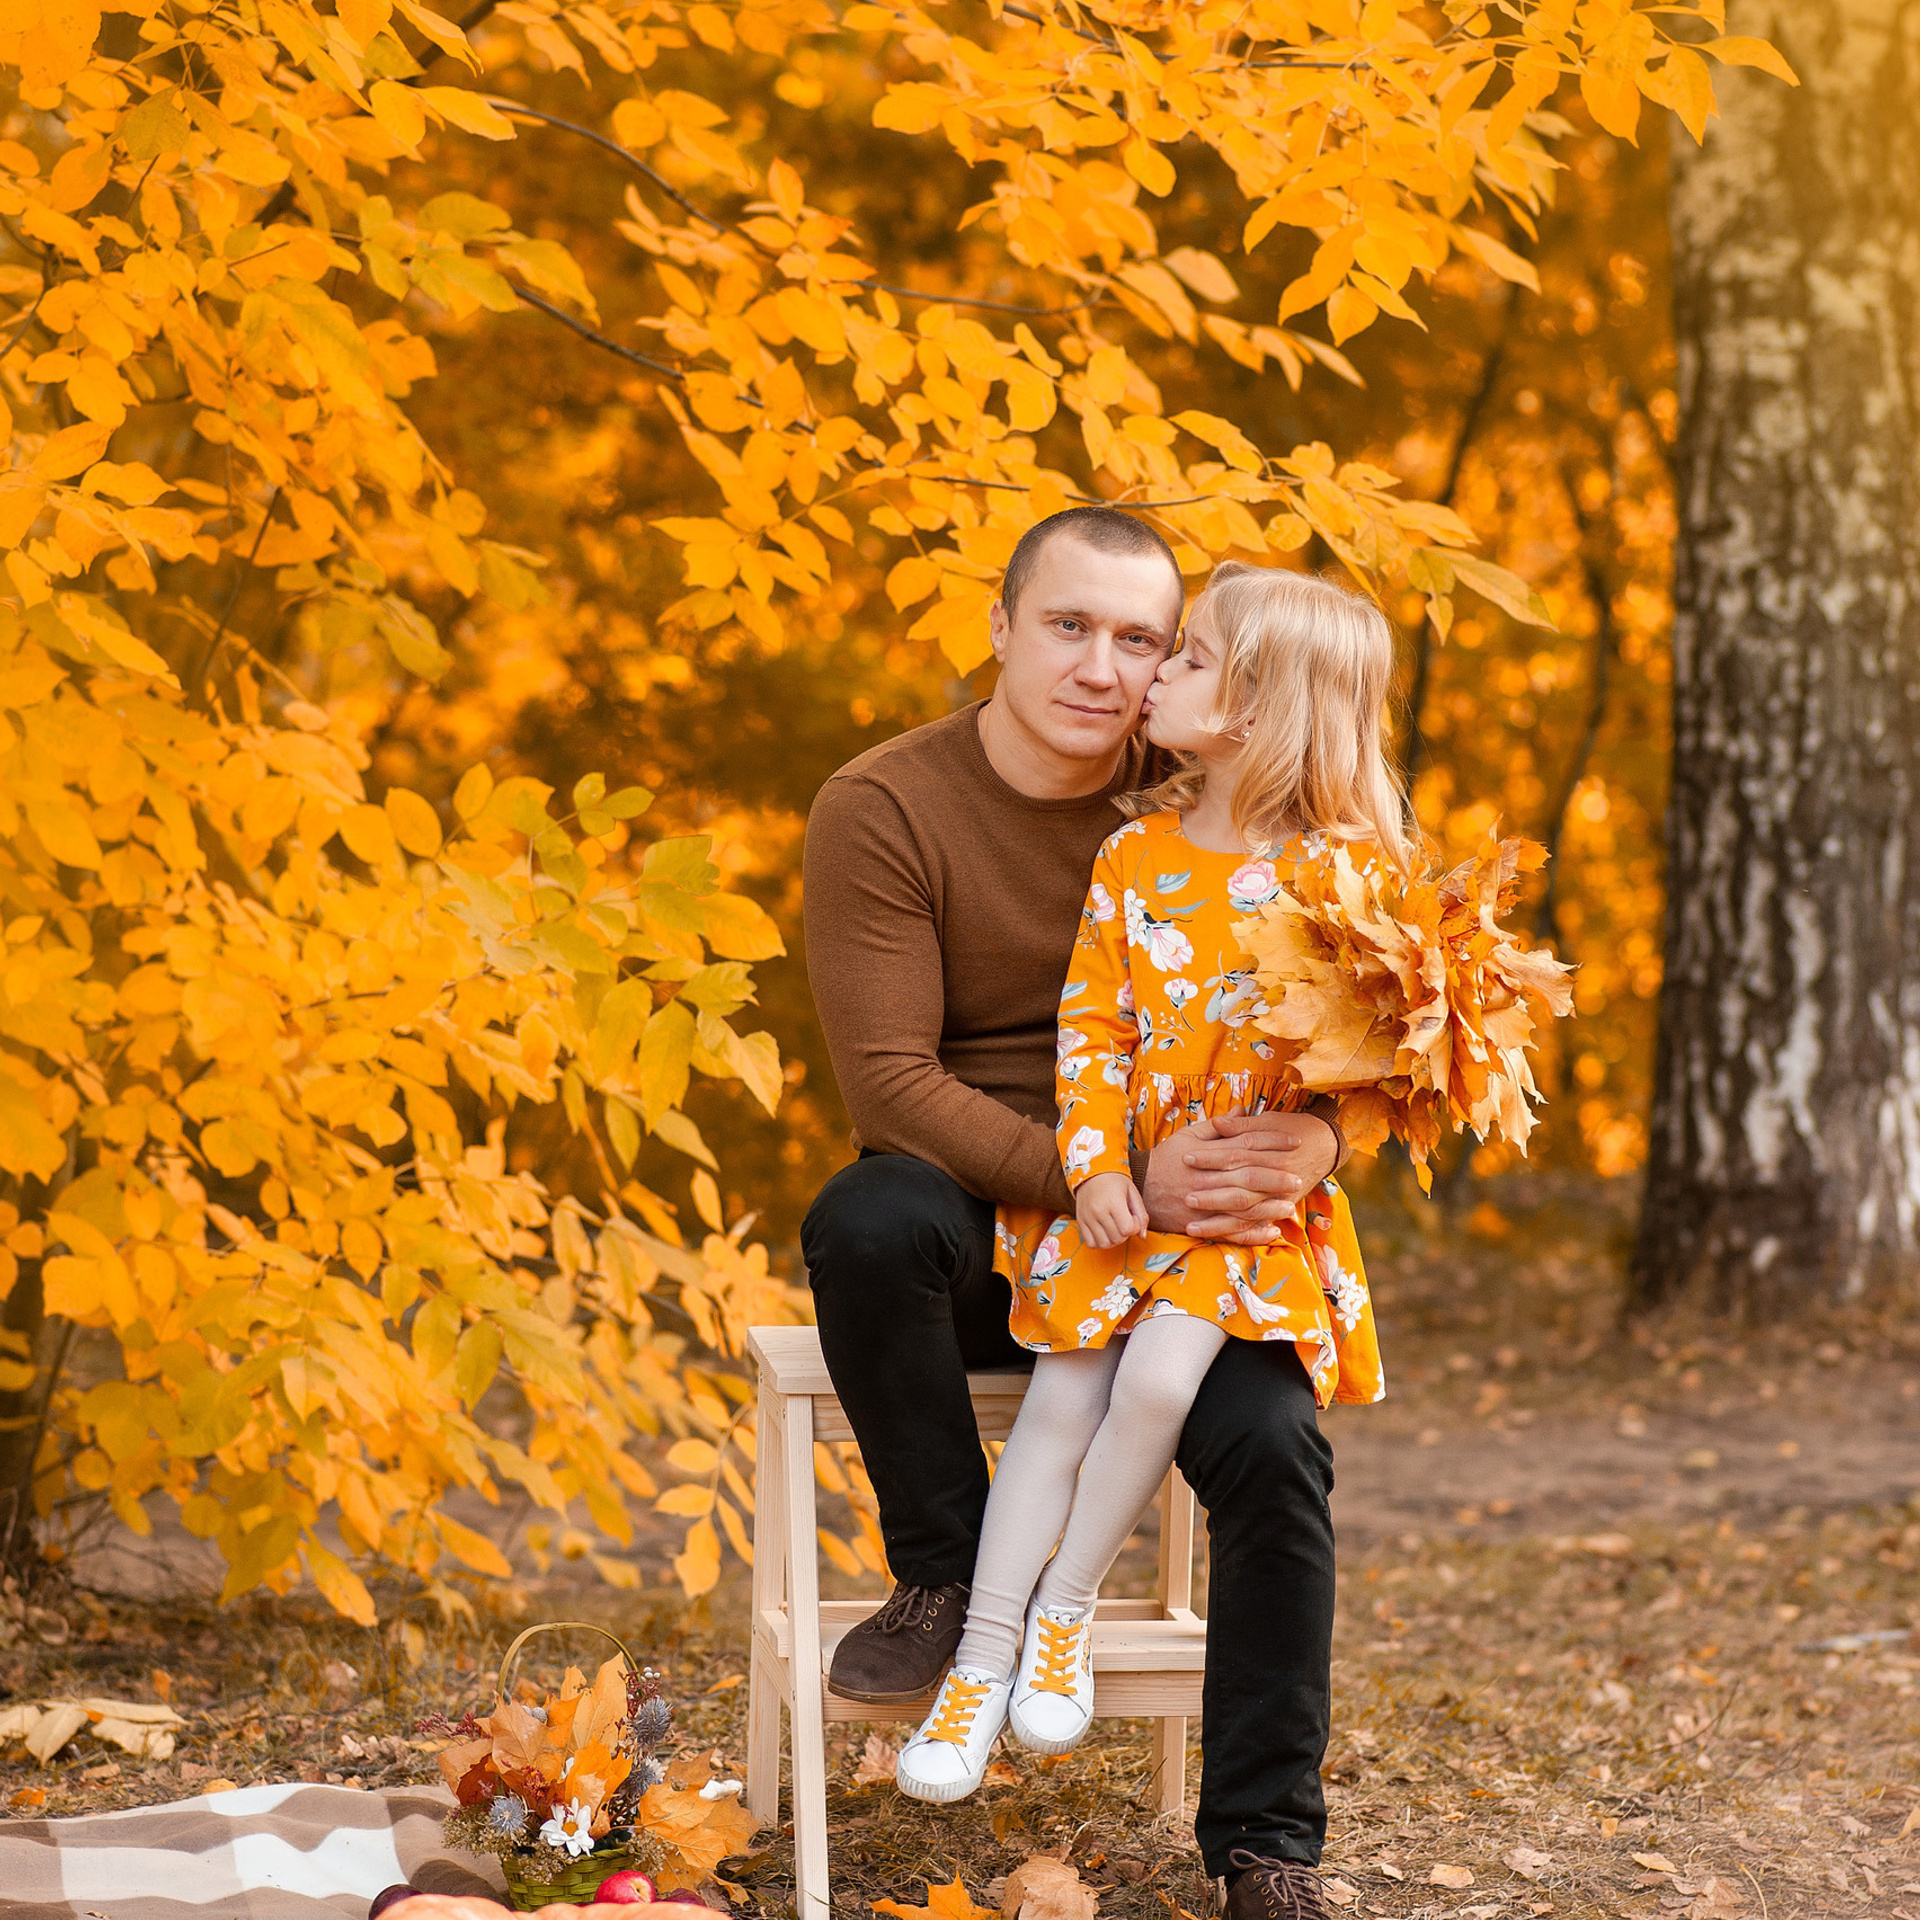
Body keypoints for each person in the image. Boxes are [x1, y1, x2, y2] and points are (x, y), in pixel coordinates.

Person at [802, 511, 1350, 1919]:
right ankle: (944, 1579)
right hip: (993, 1214)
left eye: (1140, 639)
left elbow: (1373, 991)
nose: (1105, 669)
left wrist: (1320, 1133)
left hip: (1189, 1242)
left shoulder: (1210, 770)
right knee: (866, 1217)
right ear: (997, 626)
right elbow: (889, 1083)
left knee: (1280, 1446)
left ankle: (1267, 1847)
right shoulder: (887, 804)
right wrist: (1098, 1180)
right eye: (1068, 626)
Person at [892, 562, 1396, 1817]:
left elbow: (1395, 1064)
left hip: (1247, 1221)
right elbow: (1093, 1034)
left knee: (1166, 1379)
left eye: (1185, 656)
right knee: (1065, 1397)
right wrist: (1097, 1170)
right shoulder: (1134, 855)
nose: (1154, 673)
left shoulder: (1350, 883)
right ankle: (984, 1657)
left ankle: (1066, 1605)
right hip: (1125, 1200)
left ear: (1258, 704)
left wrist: (1320, 1142)